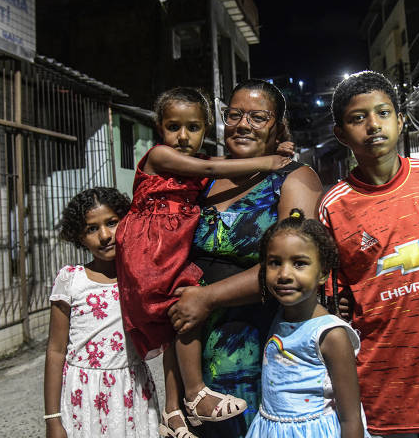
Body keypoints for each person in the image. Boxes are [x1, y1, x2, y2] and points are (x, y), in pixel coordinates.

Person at [114, 87, 293, 438]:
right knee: (184, 304)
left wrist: (275, 149)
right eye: (173, 127)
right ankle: (193, 395)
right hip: (152, 253)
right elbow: (210, 164)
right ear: (159, 128)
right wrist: (268, 161)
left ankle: (172, 410)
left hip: (167, 251)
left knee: (174, 327)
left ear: (205, 129)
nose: (183, 137)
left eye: (193, 128)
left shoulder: (201, 175)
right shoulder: (165, 157)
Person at [320, 71, 419, 437]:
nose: (373, 125)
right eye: (357, 118)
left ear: (400, 120)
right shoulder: (333, 207)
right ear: (341, 134)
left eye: (382, 112)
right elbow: (335, 300)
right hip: (382, 397)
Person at [167, 79, 324, 438]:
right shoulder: (203, 177)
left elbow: (294, 264)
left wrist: (207, 298)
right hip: (190, 343)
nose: (242, 124)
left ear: (278, 126)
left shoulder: (292, 178)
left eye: (258, 117)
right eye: (234, 115)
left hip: (257, 345)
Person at [43, 187, 159, 438]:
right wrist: (52, 420)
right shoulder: (71, 280)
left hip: (132, 390)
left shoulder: (143, 277)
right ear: (79, 237)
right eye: (92, 228)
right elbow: (55, 350)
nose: (105, 235)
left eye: (112, 223)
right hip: (84, 396)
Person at [246, 209, 365, 438]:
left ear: (322, 274)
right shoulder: (277, 315)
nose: (284, 274)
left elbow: (351, 418)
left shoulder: (331, 335)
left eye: (299, 264)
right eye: (274, 263)